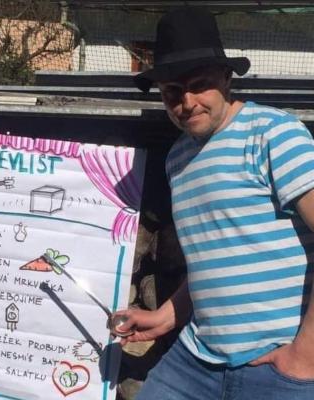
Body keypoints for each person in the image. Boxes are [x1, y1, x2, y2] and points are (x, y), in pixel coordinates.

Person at [110, 7, 314, 400]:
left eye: (199, 85)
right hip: (195, 361)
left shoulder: (273, 134)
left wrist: (305, 356)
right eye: (172, 91)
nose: (187, 102)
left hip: (277, 363)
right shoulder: (178, 159)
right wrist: (165, 316)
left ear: (226, 78)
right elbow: (213, 262)